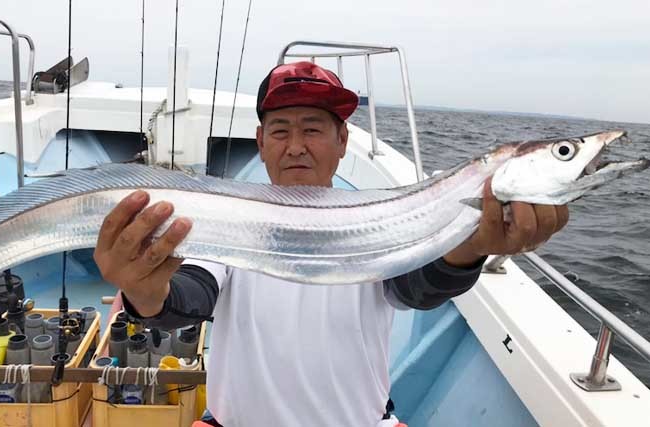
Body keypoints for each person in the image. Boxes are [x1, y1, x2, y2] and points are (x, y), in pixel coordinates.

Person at [93, 61, 569, 427]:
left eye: (313, 129)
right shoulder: (229, 218)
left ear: (342, 140)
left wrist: (470, 249)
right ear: (259, 142)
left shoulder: (378, 223)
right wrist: (146, 293)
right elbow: (191, 295)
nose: (296, 145)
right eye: (280, 130)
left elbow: (415, 289)